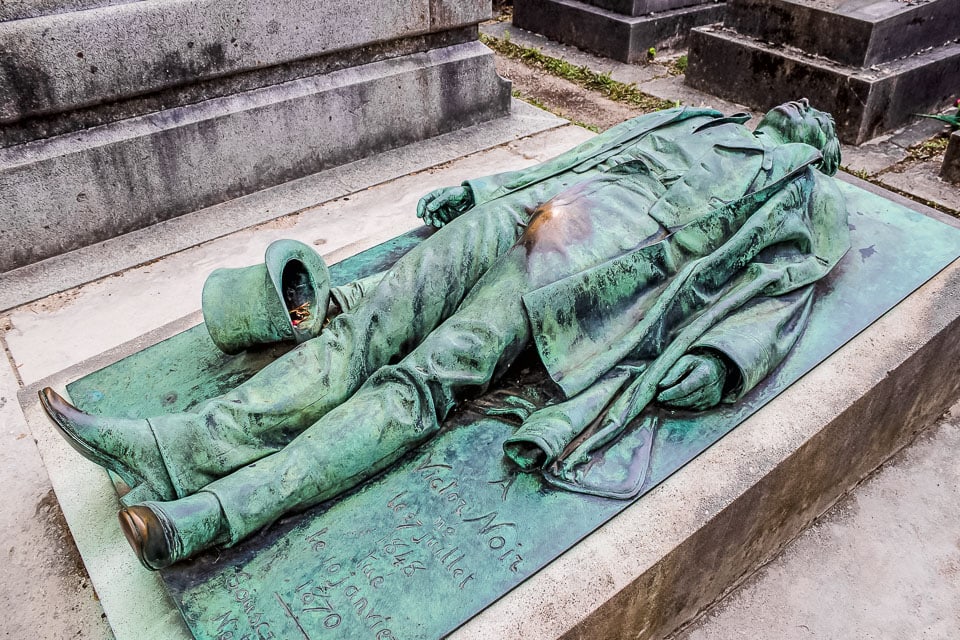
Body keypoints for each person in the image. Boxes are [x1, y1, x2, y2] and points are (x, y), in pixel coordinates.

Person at [40, 99, 849, 570]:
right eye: (801, 104)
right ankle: (170, 447)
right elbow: (595, 151)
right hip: (530, 213)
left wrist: (723, 357)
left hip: (580, 274)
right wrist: (483, 187)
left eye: (819, 119)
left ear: (824, 149)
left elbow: (785, 290)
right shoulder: (698, 114)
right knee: (366, 329)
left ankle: (217, 513)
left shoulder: (808, 193)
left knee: (417, 384)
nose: (804, 109)